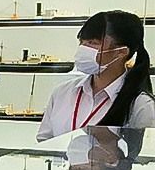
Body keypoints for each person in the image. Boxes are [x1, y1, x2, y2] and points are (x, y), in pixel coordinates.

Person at [37, 11, 155, 141]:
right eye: (82, 42)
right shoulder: (62, 93)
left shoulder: (141, 105)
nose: (83, 48)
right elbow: (44, 140)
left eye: (92, 42)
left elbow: (144, 154)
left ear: (121, 52)